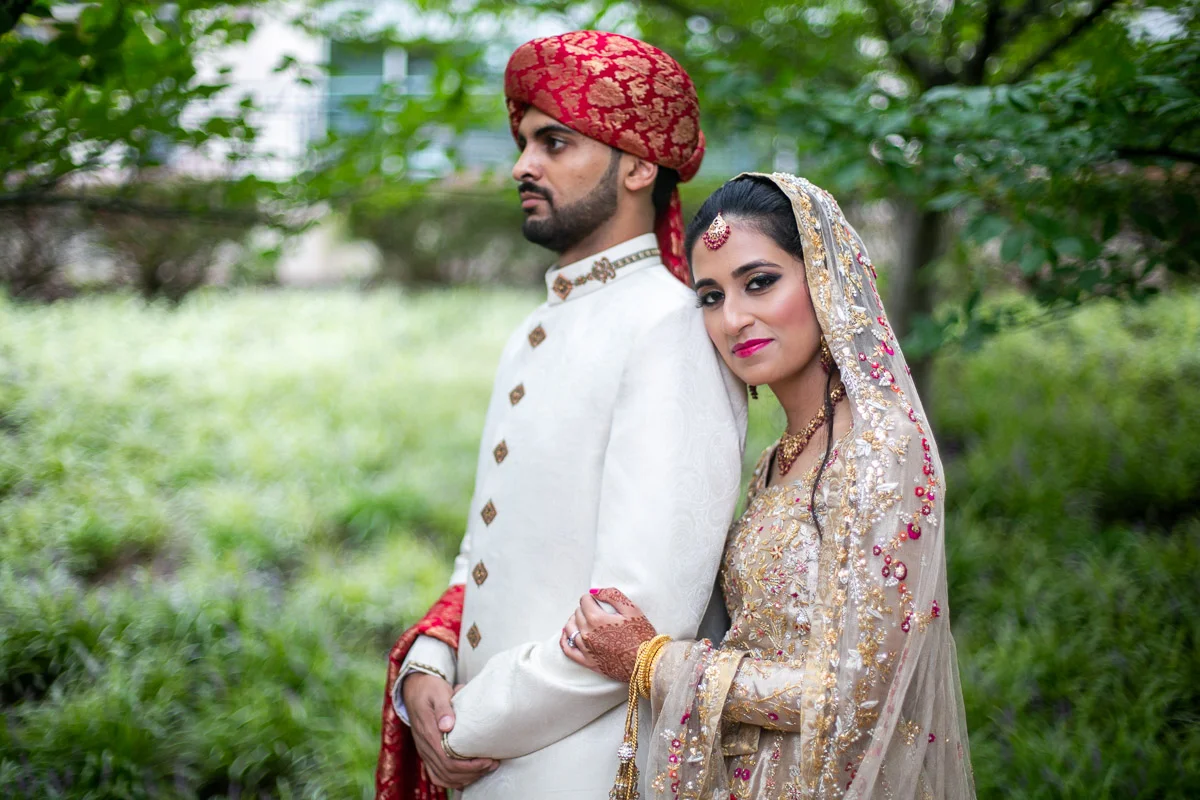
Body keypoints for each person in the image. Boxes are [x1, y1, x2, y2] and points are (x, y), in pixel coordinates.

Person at [375, 31, 748, 800]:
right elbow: (487, 546)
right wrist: (429, 663)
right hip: (493, 760)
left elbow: (640, 614)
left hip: (586, 769)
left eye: (554, 142)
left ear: (639, 165)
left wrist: (466, 723)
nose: (522, 165)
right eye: (523, 142)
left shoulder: (670, 328)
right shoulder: (535, 329)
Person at [563, 173, 976, 799]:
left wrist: (655, 662)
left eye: (759, 282)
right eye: (710, 296)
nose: (732, 319)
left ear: (825, 281)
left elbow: (855, 697)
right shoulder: (775, 460)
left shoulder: (880, 450)